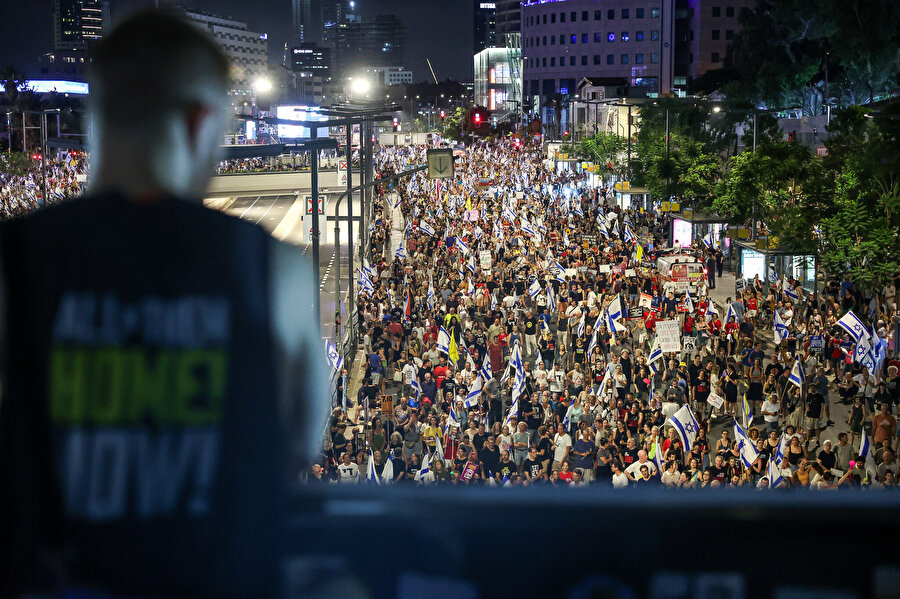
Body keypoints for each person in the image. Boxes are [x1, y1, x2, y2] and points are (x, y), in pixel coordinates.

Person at [0, 12, 329, 598]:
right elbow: (301, 442)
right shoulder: (271, 269)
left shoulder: (14, 263)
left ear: (96, 117)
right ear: (201, 121)